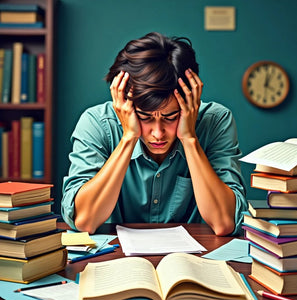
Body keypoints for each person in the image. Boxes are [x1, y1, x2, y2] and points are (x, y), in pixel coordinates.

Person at [61, 32, 247, 236]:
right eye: (145, 117)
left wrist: (190, 139)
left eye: (170, 117)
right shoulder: (96, 123)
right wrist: (129, 137)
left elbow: (224, 223)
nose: (158, 134)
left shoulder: (216, 121)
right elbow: (85, 221)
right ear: (123, 102)